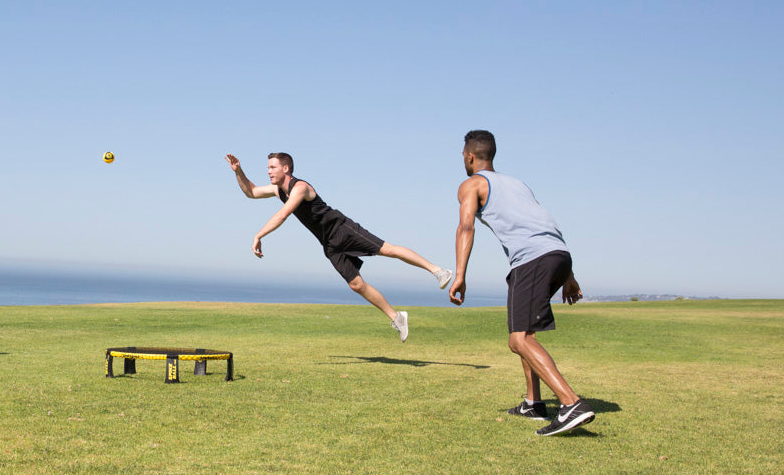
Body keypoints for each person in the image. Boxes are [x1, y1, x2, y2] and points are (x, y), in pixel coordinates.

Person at [449, 130, 594, 436]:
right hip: (558, 254)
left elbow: (466, 227)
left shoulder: (471, 184)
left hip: (532, 260)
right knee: (526, 331)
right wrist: (568, 275)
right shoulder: (517, 184)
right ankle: (533, 403)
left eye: (463, 155)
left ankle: (571, 404)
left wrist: (460, 275)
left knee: (519, 340)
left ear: (470, 156)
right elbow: (545, 222)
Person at [225, 153, 453, 341]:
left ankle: (438, 271)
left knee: (388, 250)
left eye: (272, 167)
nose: (268, 171)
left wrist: (259, 234)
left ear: (286, 168)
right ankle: (397, 317)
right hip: (328, 243)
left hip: (342, 229)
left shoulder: (300, 187)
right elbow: (251, 192)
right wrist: (238, 171)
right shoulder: (278, 191)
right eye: (268, 167)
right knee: (356, 285)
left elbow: (283, 214)